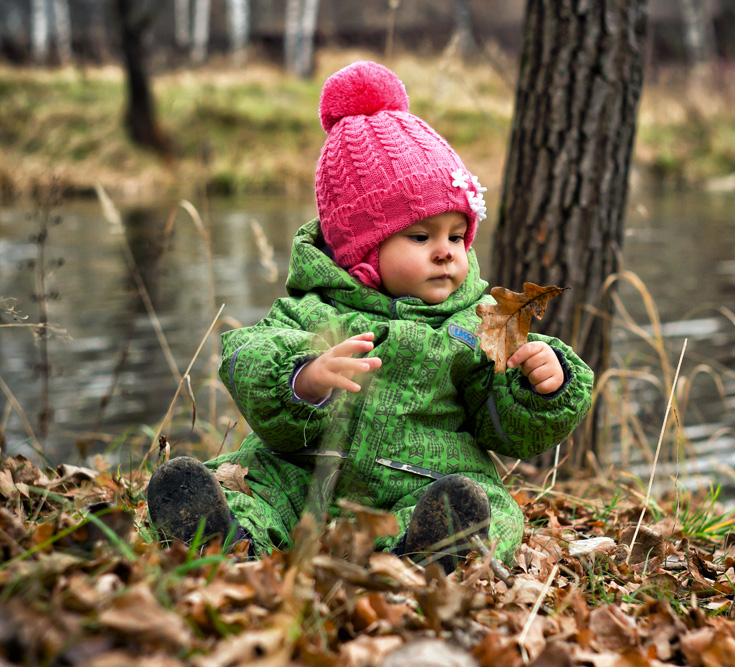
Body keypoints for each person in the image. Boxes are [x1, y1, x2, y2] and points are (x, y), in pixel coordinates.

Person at [145, 61, 594, 569]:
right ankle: (225, 538)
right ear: (362, 249)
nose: (446, 252)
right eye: (421, 237)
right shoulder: (312, 309)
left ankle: (418, 550)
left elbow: (503, 431)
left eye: (456, 234)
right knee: (253, 488)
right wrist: (304, 379)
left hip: (421, 480)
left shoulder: (481, 323)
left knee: (489, 508)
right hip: (304, 474)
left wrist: (542, 389)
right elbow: (248, 354)